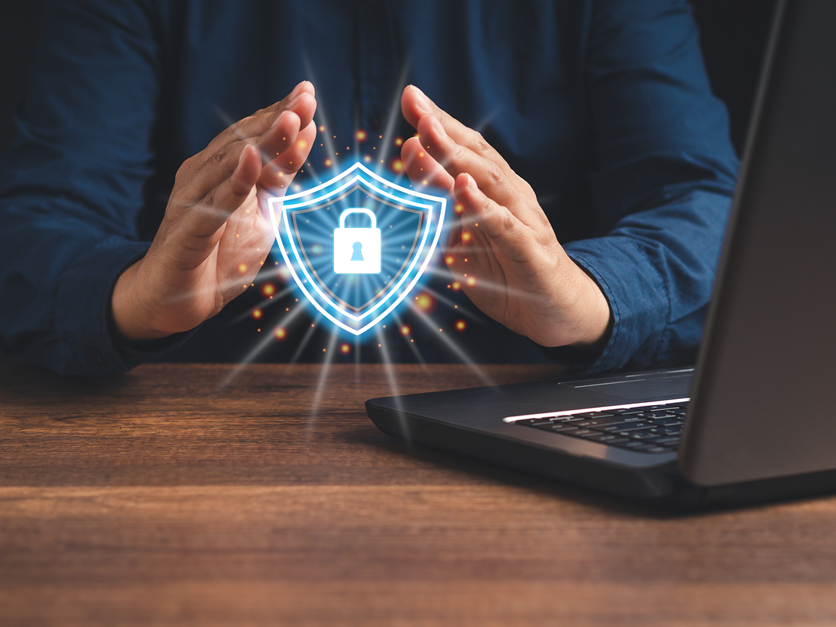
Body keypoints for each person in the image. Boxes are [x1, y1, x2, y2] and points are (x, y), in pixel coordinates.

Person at [0, 0, 739, 376]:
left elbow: (714, 209)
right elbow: (35, 222)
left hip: (535, 433)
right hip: (190, 454)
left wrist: (588, 299)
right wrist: (137, 297)